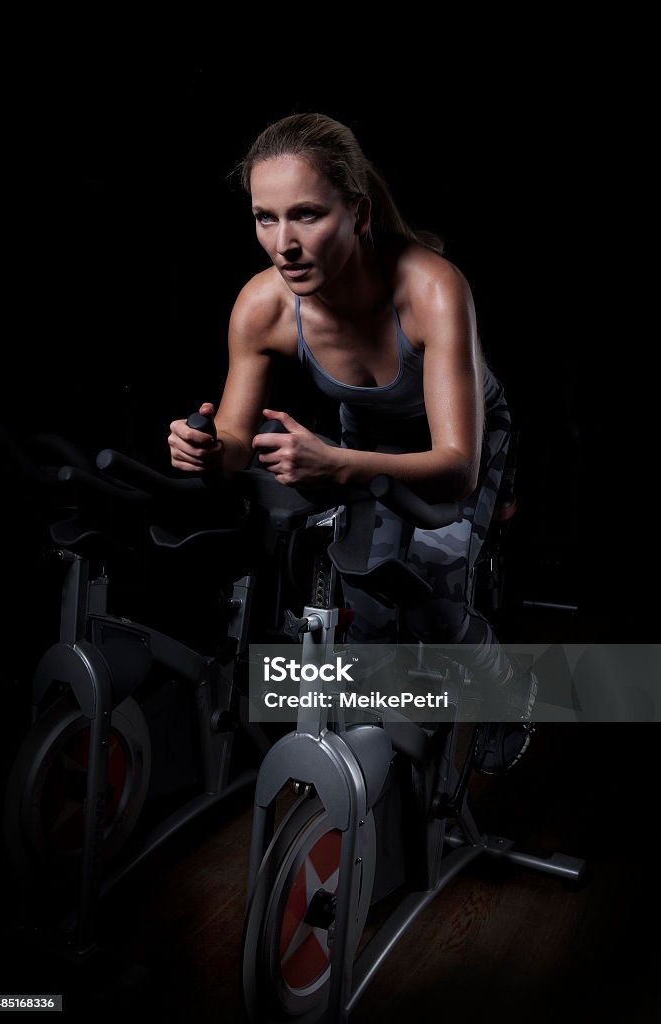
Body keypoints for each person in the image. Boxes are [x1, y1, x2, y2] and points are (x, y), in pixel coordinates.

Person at [167, 112, 537, 773]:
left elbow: (455, 467)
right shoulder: (263, 307)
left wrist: (335, 465)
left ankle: (510, 691)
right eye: (265, 218)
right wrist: (205, 449)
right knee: (361, 596)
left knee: (434, 600)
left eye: (306, 215)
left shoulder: (431, 288)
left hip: (465, 442)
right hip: (367, 441)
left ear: (359, 214)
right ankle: (380, 756)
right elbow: (230, 436)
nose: (284, 244)